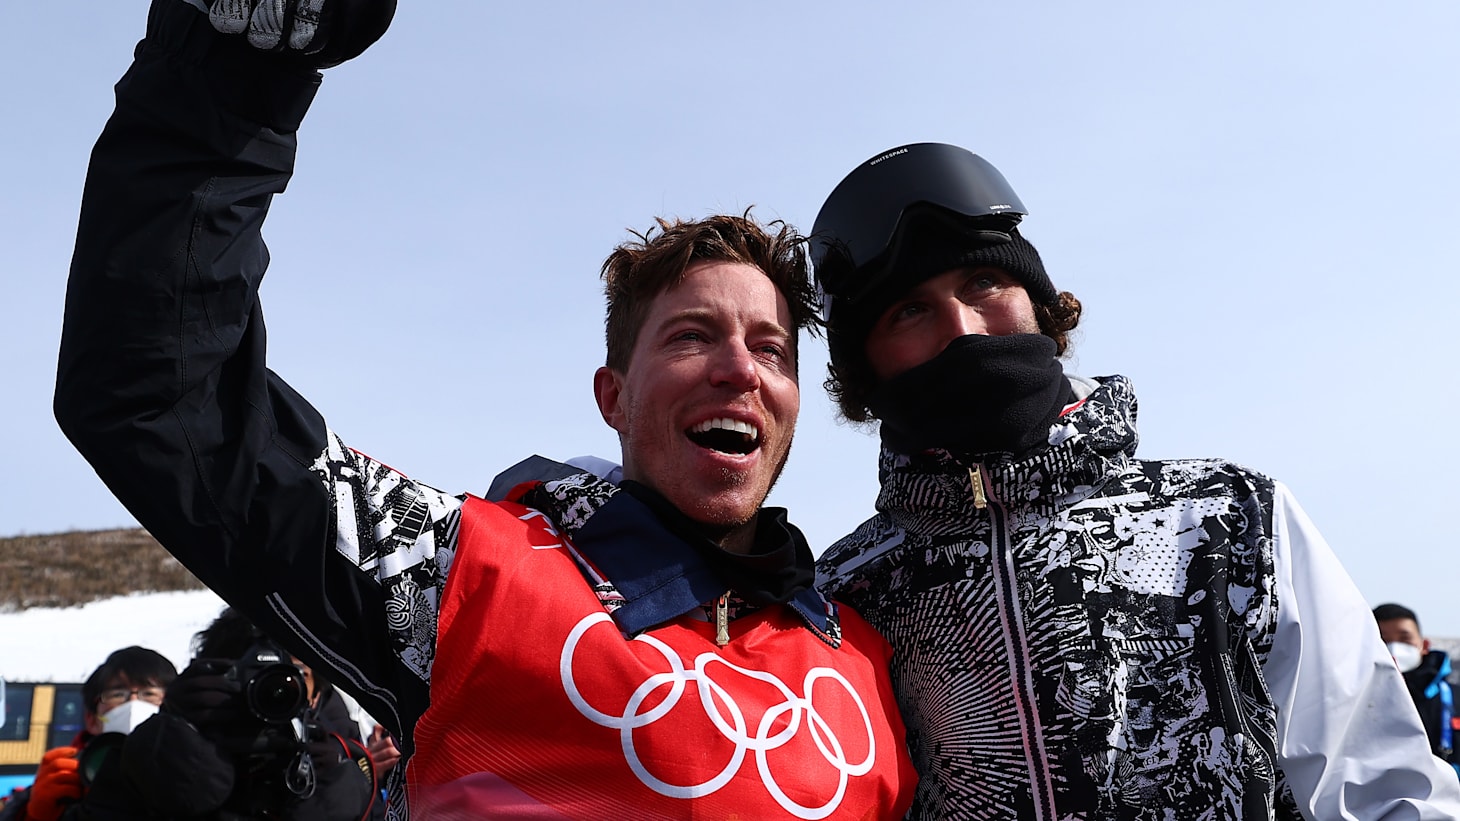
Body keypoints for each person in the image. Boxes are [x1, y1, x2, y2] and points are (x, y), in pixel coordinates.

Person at [52, 1, 916, 818]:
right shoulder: (467, 574)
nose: (739, 369)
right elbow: (162, 394)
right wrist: (229, 73)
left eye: (771, 349)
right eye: (692, 336)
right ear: (613, 396)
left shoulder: (870, 654)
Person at [809, 142, 1460, 819]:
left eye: (983, 282)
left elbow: (1380, 789)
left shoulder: (1228, 515)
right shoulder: (842, 597)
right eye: (909, 310)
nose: (963, 329)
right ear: (865, 367)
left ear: (1037, 302)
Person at [63, 606, 378, 821]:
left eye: (291, 678)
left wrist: (332, 788)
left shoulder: (340, 762)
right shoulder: (156, 752)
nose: (271, 690)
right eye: (246, 676)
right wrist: (167, 754)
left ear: (317, 694)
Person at [0, 648, 176, 821]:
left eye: (150, 694)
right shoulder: (65, 782)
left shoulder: (186, 777)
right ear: (91, 719)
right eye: (117, 694)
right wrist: (33, 816)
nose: (133, 703)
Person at [1375, 602, 1460, 775]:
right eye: (1383, 641)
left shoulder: (1454, 697)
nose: (1394, 648)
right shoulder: (1353, 699)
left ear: (1424, 645)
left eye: (1404, 639)